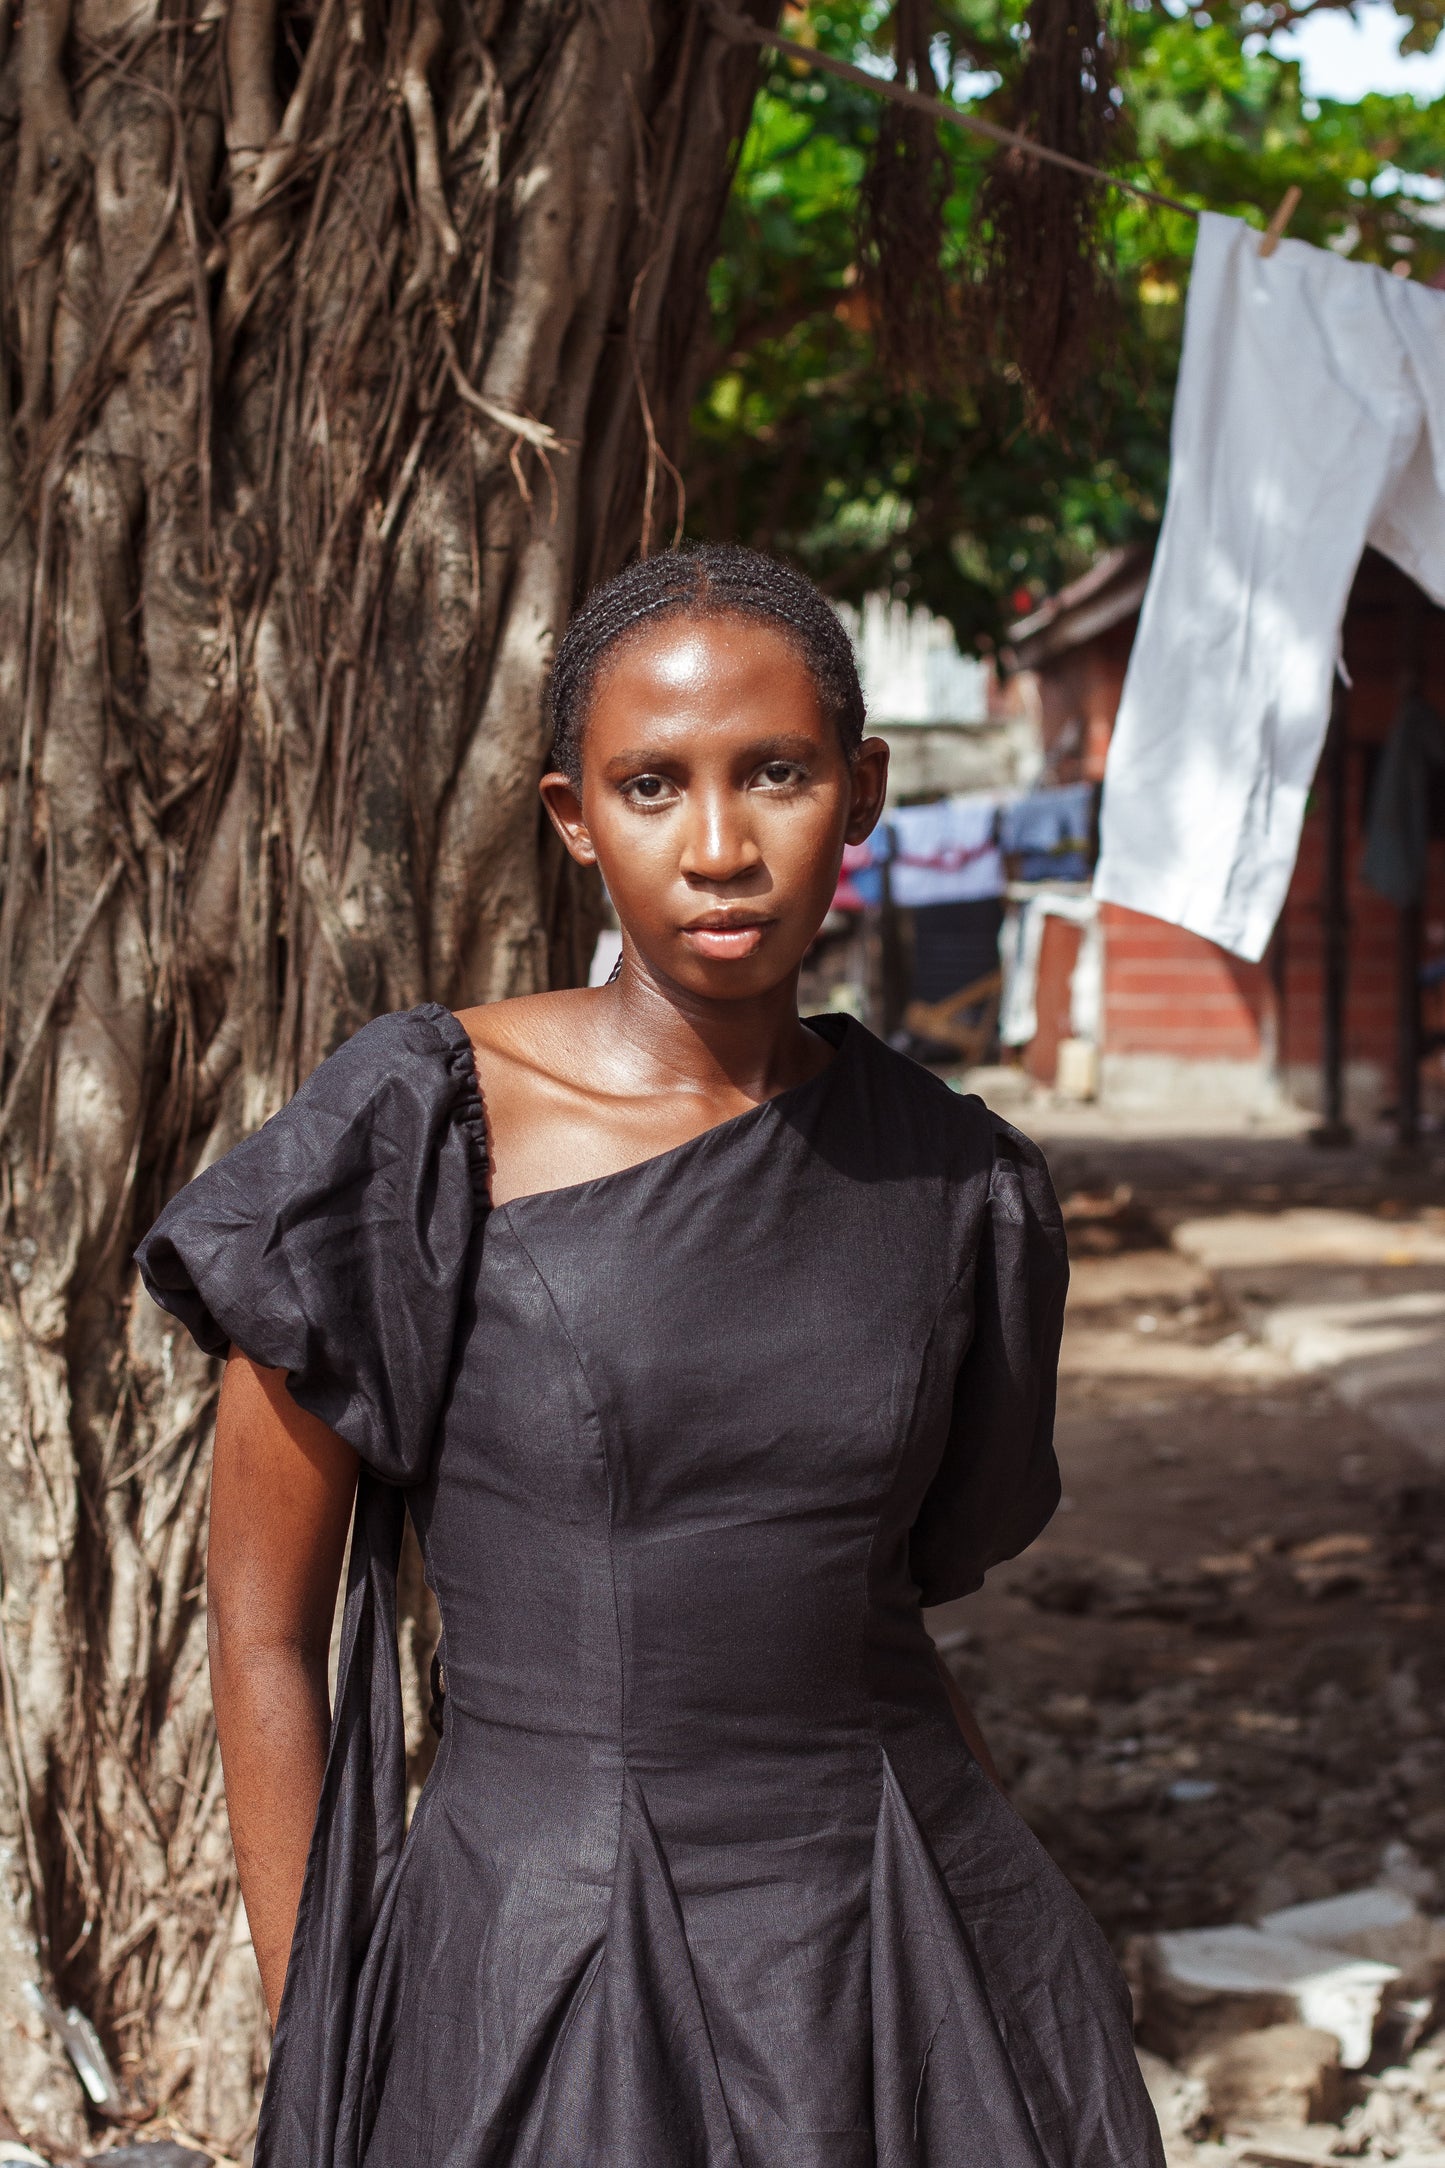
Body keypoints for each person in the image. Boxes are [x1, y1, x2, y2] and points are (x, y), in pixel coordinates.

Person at [136, 545, 1163, 2168]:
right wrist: (324, 2029)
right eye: (647, 786)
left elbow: (885, 1609)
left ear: (863, 789)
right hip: (543, 1966)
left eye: (774, 772)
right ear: (570, 818)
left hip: (910, 1952)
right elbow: (261, 1626)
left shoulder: (954, 1181)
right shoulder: (421, 1134)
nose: (716, 845)